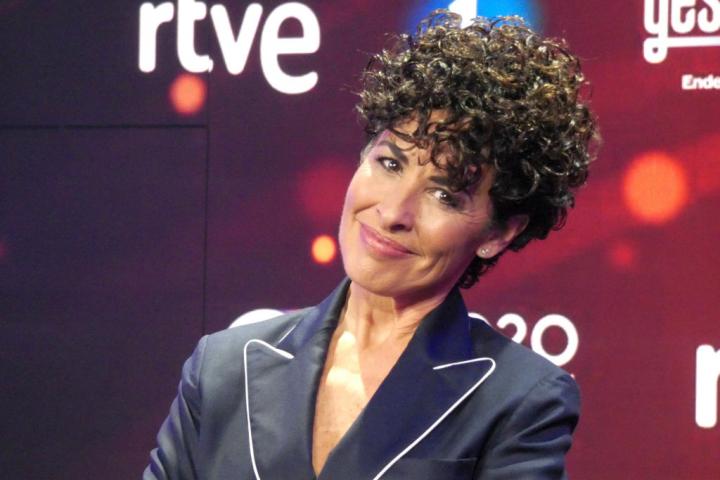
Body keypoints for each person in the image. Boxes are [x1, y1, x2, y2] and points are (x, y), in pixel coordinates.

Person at [145, 10, 598, 480]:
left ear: (498, 233)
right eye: (390, 164)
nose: (393, 212)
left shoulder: (519, 400)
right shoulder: (222, 368)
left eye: (444, 195)